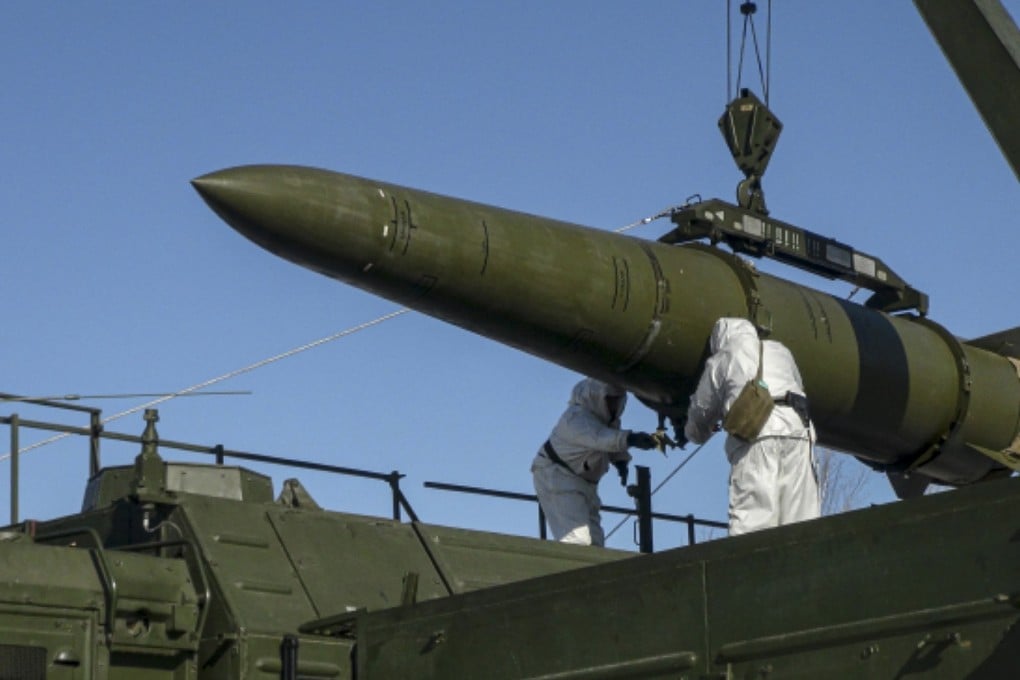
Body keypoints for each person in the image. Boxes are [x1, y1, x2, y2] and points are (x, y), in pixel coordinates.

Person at [684, 317, 820, 535]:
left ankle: (754, 568)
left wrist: (692, 434)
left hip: (756, 434)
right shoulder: (781, 351)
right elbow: (798, 384)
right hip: (798, 431)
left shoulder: (723, 357)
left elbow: (701, 412)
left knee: (753, 521)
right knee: (802, 519)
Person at [531, 378, 659, 546]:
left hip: (585, 484)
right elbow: (600, 438)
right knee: (577, 541)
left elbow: (610, 435)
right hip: (558, 477)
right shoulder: (575, 419)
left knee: (596, 543)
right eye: (610, 400)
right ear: (597, 397)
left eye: (618, 400)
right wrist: (632, 438)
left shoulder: (605, 421)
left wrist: (620, 461)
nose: (614, 405)